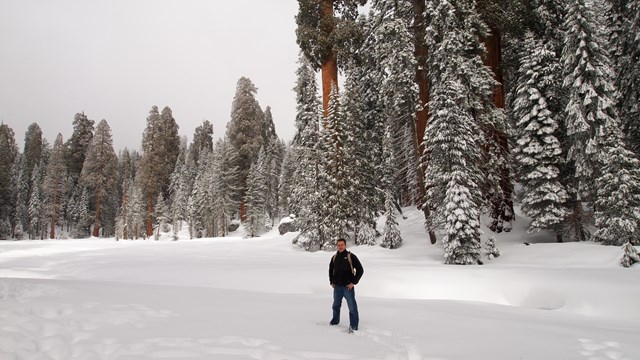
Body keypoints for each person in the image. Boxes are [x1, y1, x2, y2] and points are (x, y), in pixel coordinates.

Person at [329, 238, 364, 332]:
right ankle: (335, 321)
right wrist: (332, 282)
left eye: (342, 245)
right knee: (335, 306)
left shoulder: (351, 256)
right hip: (337, 287)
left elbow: (360, 270)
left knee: (352, 307)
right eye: (338, 245)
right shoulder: (334, 257)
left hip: (348, 287)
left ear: (345, 245)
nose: (340, 247)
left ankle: (354, 326)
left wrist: (353, 282)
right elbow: (331, 270)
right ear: (337, 246)